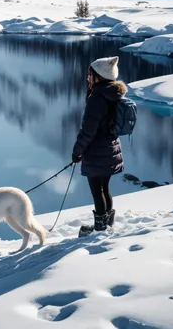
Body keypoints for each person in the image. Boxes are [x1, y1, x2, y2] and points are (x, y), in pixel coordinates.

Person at [72, 56, 126, 237]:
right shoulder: (113, 93)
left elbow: (88, 130)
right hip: (111, 148)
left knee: (97, 191)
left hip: (97, 152)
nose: (88, 78)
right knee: (104, 188)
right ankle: (107, 225)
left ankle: (100, 229)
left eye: (90, 75)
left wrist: (77, 151)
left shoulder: (97, 97)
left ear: (99, 76)